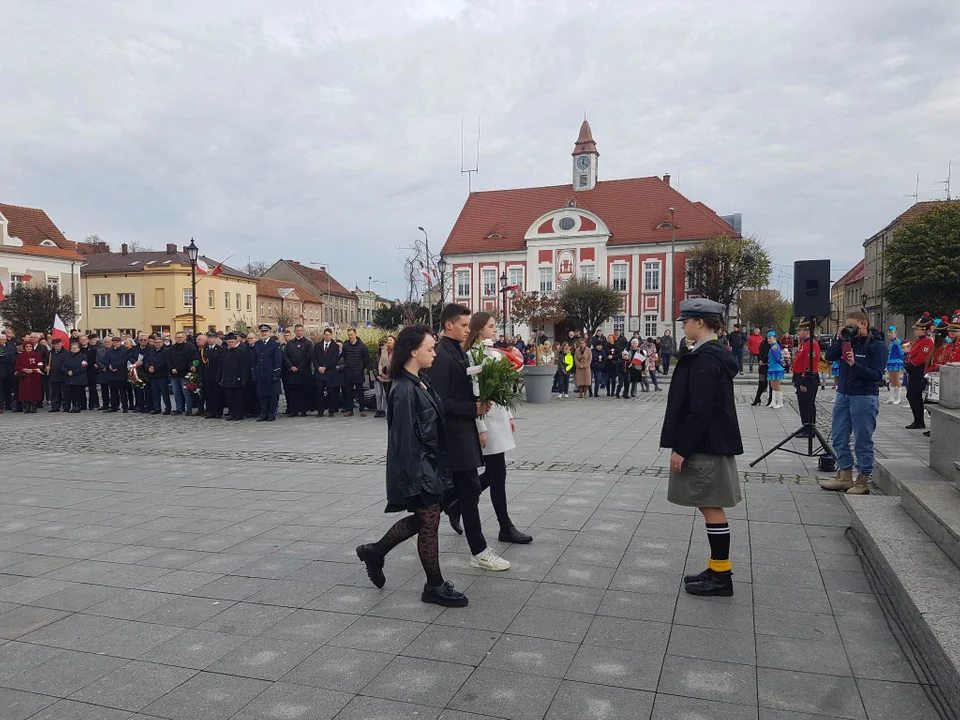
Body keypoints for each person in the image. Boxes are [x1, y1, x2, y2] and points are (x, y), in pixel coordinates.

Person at [355, 324, 468, 607]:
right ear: (414, 351)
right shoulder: (404, 389)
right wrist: (415, 480)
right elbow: (403, 441)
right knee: (429, 523)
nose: (435, 354)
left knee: (424, 520)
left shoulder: (420, 380)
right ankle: (434, 586)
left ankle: (375, 551)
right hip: (419, 470)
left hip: (430, 466)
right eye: (430, 349)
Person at [661, 299, 743, 597]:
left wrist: (682, 448)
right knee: (708, 504)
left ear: (700, 322)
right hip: (709, 441)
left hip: (705, 445)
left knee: (711, 505)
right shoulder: (709, 353)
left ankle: (721, 576)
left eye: (686, 320)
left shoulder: (706, 358)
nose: (682, 325)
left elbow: (700, 409)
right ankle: (717, 567)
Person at [431, 304, 510, 571]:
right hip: (454, 435)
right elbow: (441, 401)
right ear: (449, 326)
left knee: (455, 494)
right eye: (464, 325)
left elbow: (462, 389)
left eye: (469, 325)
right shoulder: (442, 355)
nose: (469, 329)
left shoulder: (457, 351)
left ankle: (382, 546)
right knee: (469, 489)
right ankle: (479, 551)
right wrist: (473, 407)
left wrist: (480, 398)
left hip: (464, 430)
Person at [463, 312, 533, 543]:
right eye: (491, 326)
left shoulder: (493, 353)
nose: (495, 329)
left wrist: (509, 415)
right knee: (497, 473)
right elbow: (475, 393)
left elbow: (501, 388)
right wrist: (480, 426)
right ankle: (505, 526)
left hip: (498, 415)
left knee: (494, 474)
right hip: (486, 419)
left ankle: (452, 504)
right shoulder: (472, 355)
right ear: (479, 328)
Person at [820, 310, 886, 494]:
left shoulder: (877, 346)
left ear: (865, 324)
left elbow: (877, 375)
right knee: (839, 436)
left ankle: (863, 480)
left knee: (862, 440)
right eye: (849, 326)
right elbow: (830, 356)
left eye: (855, 327)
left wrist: (855, 365)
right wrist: (841, 339)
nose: (852, 330)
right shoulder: (848, 342)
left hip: (864, 397)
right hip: (844, 394)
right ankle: (844, 476)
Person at [904, 312, 935, 430]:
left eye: (918, 329)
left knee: (913, 395)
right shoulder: (919, 340)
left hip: (919, 370)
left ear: (925, 330)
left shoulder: (927, 341)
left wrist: (908, 367)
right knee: (913, 395)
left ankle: (919, 421)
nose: (915, 331)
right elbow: (912, 354)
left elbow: (922, 358)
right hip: (914, 371)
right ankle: (918, 421)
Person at [792, 320, 821, 436]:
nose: (798, 333)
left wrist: (803, 380)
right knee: (802, 404)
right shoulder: (804, 343)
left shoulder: (811, 344)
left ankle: (810, 428)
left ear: (807, 331)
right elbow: (798, 361)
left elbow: (809, 364)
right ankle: (805, 425)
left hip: (808, 377)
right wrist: (795, 378)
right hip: (800, 376)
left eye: (800, 330)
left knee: (808, 404)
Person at [281, 324, 313, 417]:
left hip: (303, 372)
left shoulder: (308, 343)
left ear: (303, 331)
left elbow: (308, 357)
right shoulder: (290, 343)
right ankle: (293, 410)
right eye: (297, 330)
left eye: (301, 330)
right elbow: (285, 355)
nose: (299, 332)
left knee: (303, 392)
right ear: (294, 331)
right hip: (292, 372)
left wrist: (299, 367)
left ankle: (303, 410)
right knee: (293, 392)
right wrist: (291, 366)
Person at [252, 324, 283, 421]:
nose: (264, 333)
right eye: (262, 332)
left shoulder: (274, 344)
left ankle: (272, 413)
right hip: (261, 374)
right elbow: (254, 360)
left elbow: (278, 361)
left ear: (269, 332)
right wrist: (254, 373)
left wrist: (276, 374)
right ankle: (263, 413)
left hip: (271, 374)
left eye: (265, 331)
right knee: (262, 395)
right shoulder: (257, 344)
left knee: (272, 396)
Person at [218, 332, 250, 421]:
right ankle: (232, 413)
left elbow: (244, 366)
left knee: (238, 397)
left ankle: (239, 414)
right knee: (229, 397)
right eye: (229, 342)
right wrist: (220, 377)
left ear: (236, 342)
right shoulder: (225, 351)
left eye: (232, 342)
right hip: (227, 378)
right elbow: (221, 365)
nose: (231, 344)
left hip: (237, 379)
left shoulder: (241, 351)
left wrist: (243, 379)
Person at [313, 328, 344, 417]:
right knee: (319, 392)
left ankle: (331, 410)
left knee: (331, 393)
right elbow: (314, 358)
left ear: (331, 336)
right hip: (319, 372)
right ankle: (320, 411)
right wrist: (318, 367)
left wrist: (326, 367)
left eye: (329, 335)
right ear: (324, 335)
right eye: (326, 335)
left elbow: (335, 359)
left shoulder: (335, 346)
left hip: (330, 372)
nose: (327, 336)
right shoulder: (317, 345)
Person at [340, 328, 370, 417]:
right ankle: (349, 410)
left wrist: (361, 368)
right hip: (348, 372)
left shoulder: (362, 346)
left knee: (360, 391)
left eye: (351, 335)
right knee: (348, 392)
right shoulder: (345, 345)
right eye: (348, 335)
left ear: (355, 334)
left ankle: (362, 409)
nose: (350, 336)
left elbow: (366, 359)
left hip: (358, 372)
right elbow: (344, 356)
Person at [169, 331, 198, 416]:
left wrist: (178, 368)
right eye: (177, 337)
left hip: (184, 372)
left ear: (184, 337)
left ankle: (188, 408)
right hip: (173, 373)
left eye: (181, 337)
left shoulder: (189, 347)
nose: (179, 339)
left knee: (186, 392)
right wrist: (172, 368)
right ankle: (179, 408)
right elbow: (168, 359)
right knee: (176, 392)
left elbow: (188, 360)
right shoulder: (172, 347)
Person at [145, 335, 172, 414]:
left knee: (164, 392)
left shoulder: (166, 351)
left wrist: (155, 368)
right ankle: (157, 408)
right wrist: (148, 367)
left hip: (162, 374)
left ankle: (168, 408)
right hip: (152, 375)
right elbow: (146, 360)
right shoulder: (150, 351)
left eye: (159, 342)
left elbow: (165, 362)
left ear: (162, 343)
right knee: (155, 393)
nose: (157, 344)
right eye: (156, 342)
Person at [15, 338, 43, 412]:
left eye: (30, 346)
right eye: (26, 346)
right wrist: (23, 369)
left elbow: (40, 365)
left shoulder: (37, 355)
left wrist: (33, 370)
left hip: (34, 376)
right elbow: (17, 366)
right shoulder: (20, 356)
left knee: (34, 390)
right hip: (24, 376)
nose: (28, 348)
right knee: (24, 390)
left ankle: (34, 405)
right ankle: (26, 405)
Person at [201, 331, 224, 419]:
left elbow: (220, 364)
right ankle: (210, 411)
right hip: (207, 376)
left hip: (216, 375)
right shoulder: (205, 349)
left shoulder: (220, 349)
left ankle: (218, 412)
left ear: (215, 339)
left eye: (211, 338)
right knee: (208, 394)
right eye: (208, 338)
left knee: (217, 394)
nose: (210, 340)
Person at [104, 336, 130, 412]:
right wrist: (109, 366)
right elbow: (105, 359)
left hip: (121, 373)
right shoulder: (109, 350)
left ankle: (125, 407)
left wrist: (115, 366)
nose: (116, 343)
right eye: (114, 342)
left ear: (120, 342)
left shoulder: (124, 350)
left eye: (117, 342)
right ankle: (113, 406)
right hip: (111, 373)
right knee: (113, 392)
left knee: (122, 392)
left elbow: (123, 360)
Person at [129, 334, 152, 413]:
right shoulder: (135, 348)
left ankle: (147, 406)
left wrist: (142, 363)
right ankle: (139, 405)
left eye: (144, 340)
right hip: (136, 371)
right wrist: (135, 363)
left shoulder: (150, 348)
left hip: (146, 372)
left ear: (147, 340)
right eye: (141, 340)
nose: (143, 341)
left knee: (147, 390)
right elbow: (130, 356)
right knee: (137, 389)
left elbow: (151, 358)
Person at [63, 340, 89, 412]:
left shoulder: (83, 356)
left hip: (79, 377)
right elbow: (63, 366)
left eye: (75, 348)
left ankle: (79, 405)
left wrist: (73, 372)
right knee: (71, 393)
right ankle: (73, 405)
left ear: (79, 348)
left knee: (79, 393)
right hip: (69, 377)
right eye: (72, 348)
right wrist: (67, 371)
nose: (74, 349)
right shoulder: (67, 357)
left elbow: (83, 366)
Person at [374, 335, 395, 418]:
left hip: (393, 376)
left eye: (391, 340)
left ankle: (393, 412)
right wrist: (381, 373)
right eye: (388, 340)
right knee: (386, 395)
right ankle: (388, 412)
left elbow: (397, 363)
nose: (389, 341)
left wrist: (391, 373)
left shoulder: (397, 352)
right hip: (384, 376)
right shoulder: (384, 351)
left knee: (392, 395)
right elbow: (380, 363)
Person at [883, 326, 905, 405]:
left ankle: (898, 398)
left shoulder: (897, 341)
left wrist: (903, 360)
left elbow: (901, 352)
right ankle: (891, 397)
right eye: (889, 332)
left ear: (895, 333)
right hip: (890, 362)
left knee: (896, 380)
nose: (889, 334)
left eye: (891, 333)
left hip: (896, 362)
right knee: (892, 380)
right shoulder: (891, 342)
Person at [47, 337, 68, 412]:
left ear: (61, 344)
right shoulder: (50, 353)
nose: (56, 346)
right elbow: (46, 362)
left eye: (58, 344)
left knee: (65, 392)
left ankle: (66, 406)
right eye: (54, 344)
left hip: (63, 375)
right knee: (54, 392)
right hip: (53, 375)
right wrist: (46, 366)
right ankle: (55, 406)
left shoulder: (66, 352)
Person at [750, 331, 771, 406]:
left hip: (770, 364)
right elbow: (759, 352)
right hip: (763, 364)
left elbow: (772, 354)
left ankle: (771, 399)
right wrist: (760, 360)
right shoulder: (763, 343)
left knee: (771, 382)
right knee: (761, 381)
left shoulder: (774, 343)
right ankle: (757, 398)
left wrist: (765, 360)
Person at [766, 332, 785, 408]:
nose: (769, 340)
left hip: (776, 368)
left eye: (770, 338)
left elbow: (777, 358)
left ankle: (780, 403)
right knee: (773, 386)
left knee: (777, 386)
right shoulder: (773, 346)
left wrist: (782, 362)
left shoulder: (774, 347)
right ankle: (773, 402)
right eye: (768, 338)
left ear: (775, 338)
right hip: (772, 367)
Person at [84, 334, 101, 410]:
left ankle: (94, 403)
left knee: (93, 387)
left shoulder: (98, 348)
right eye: (90, 339)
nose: (92, 341)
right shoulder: (81, 349)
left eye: (93, 339)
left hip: (93, 369)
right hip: (84, 370)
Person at [0, 332, 15, 412]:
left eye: (3, 340)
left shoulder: (11, 347)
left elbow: (12, 358)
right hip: (1, 371)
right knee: (1, 390)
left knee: (8, 389)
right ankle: (1, 406)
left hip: (9, 371)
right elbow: (2, 359)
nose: (1, 341)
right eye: (0, 340)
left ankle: (8, 404)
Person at [590, 332, 607, 398]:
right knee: (590, 381)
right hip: (592, 367)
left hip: (599, 368)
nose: (599, 347)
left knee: (597, 381)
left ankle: (596, 392)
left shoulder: (603, 352)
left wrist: (601, 366)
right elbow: (590, 359)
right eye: (598, 345)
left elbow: (604, 360)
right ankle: (590, 391)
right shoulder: (592, 351)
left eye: (600, 346)